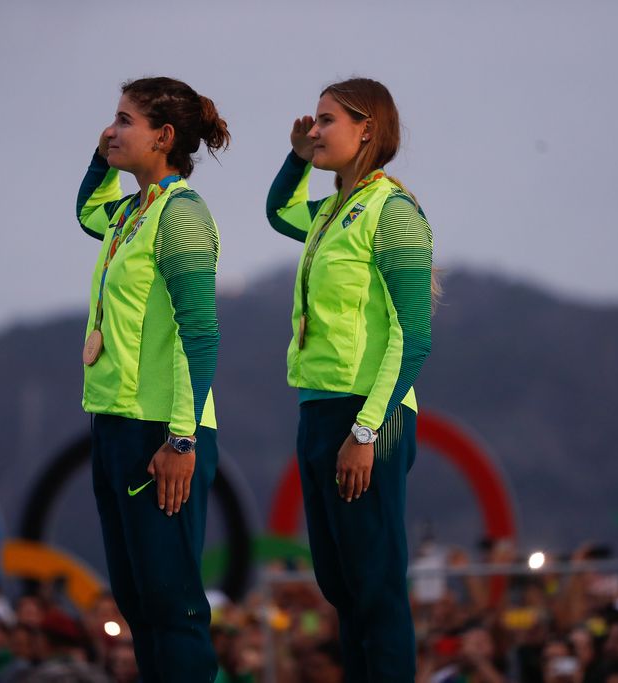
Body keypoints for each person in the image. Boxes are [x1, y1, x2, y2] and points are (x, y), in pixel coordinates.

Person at [265, 77, 435, 681]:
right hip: (318, 410)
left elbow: (413, 336)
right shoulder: (332, 210)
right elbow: (279, 211)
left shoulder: (393, 211)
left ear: (367, 128)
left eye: (326, 120)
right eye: (313, 119)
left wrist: (367, 431)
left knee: (375, 584)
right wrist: (295, 157)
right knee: (339, 585)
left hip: (370, 414)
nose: (315, 129)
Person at [75, 76, 230, 682]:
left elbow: (201, 333)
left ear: (163, 137)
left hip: (161, 432)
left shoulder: (182, 215)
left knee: (174, 607)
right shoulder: (129, 214)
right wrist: (100, 155)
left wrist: (182, 439)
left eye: (124, 121)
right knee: (140, 607)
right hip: (115, 423)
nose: (112, 130)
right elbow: (89, 208)